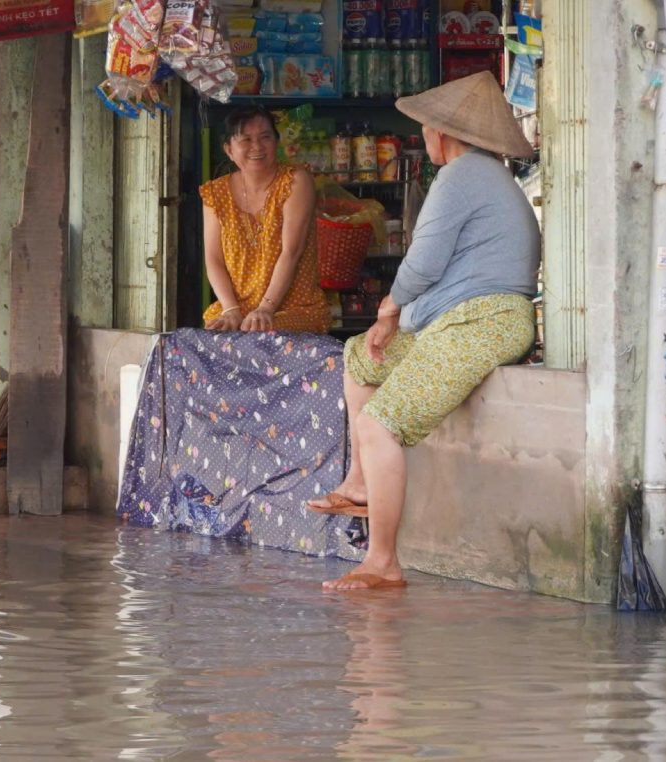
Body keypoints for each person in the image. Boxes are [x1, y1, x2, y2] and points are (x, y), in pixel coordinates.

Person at [306, 71, 540, 591]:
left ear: (441, 132)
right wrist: (395, 320)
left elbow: (423, 260)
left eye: (426, 129)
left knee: (380, 423)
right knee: (359, 356)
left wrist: (389, 307)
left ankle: (383, 561)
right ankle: (363, 481)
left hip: (485, 321)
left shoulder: (463, 175)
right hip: (464, 319)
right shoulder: (484, 174)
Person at [200, 106, 330, 334]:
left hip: (294, 309)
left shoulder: (296, 181)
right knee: (211, 336)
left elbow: (292, 251)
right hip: (238, 311)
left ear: (276, 142)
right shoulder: (215, 192)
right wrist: (230, 308)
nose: (257, 147)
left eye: (265, 137)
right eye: (246, 139)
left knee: (260, 334)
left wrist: (266, 308)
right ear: (229, 149)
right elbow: (213, 260)